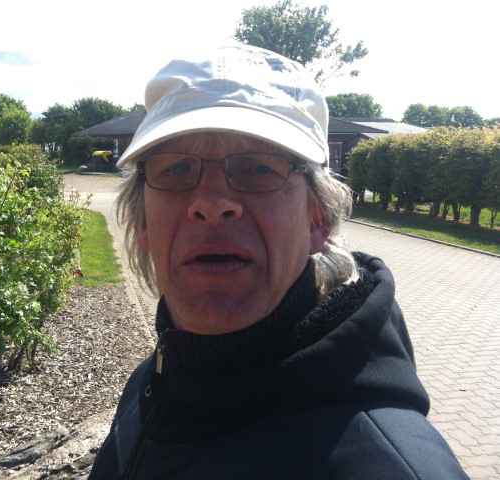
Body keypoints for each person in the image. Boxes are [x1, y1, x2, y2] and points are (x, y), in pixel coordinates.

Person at [88, 44, 469, 479]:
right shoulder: (154, 380)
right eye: (175, 169)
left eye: (259, 168)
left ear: (318, 220)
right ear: (142, 224)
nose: (211, 203)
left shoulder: (389, 467)